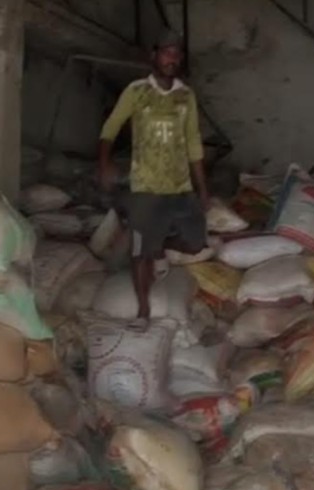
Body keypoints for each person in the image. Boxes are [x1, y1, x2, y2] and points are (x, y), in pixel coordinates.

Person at [97, 30, 210, 327]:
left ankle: (156, 245)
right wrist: (105, 163)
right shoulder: (136, 92)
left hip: (180, 187)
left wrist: (203, 189)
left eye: (177, 53)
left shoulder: (186, 96)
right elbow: (110, 128)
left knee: (196, 243)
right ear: (154, 55)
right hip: (145, 187)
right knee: (139, 251)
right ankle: (144, 310)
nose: (172, 59)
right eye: (166, 52)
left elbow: (194, 142)